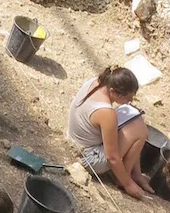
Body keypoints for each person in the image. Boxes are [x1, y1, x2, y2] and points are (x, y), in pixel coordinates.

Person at [66, 66, 154, 200]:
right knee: (140, 131)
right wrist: (128, 185)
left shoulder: (95, 82)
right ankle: (124, 179)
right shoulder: (106, 112)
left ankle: (135, 173)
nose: (130, 101)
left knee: (136, 122)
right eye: (128, 98)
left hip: (75, 140)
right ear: (113, 91)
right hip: (89, 158)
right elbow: (111, 157)